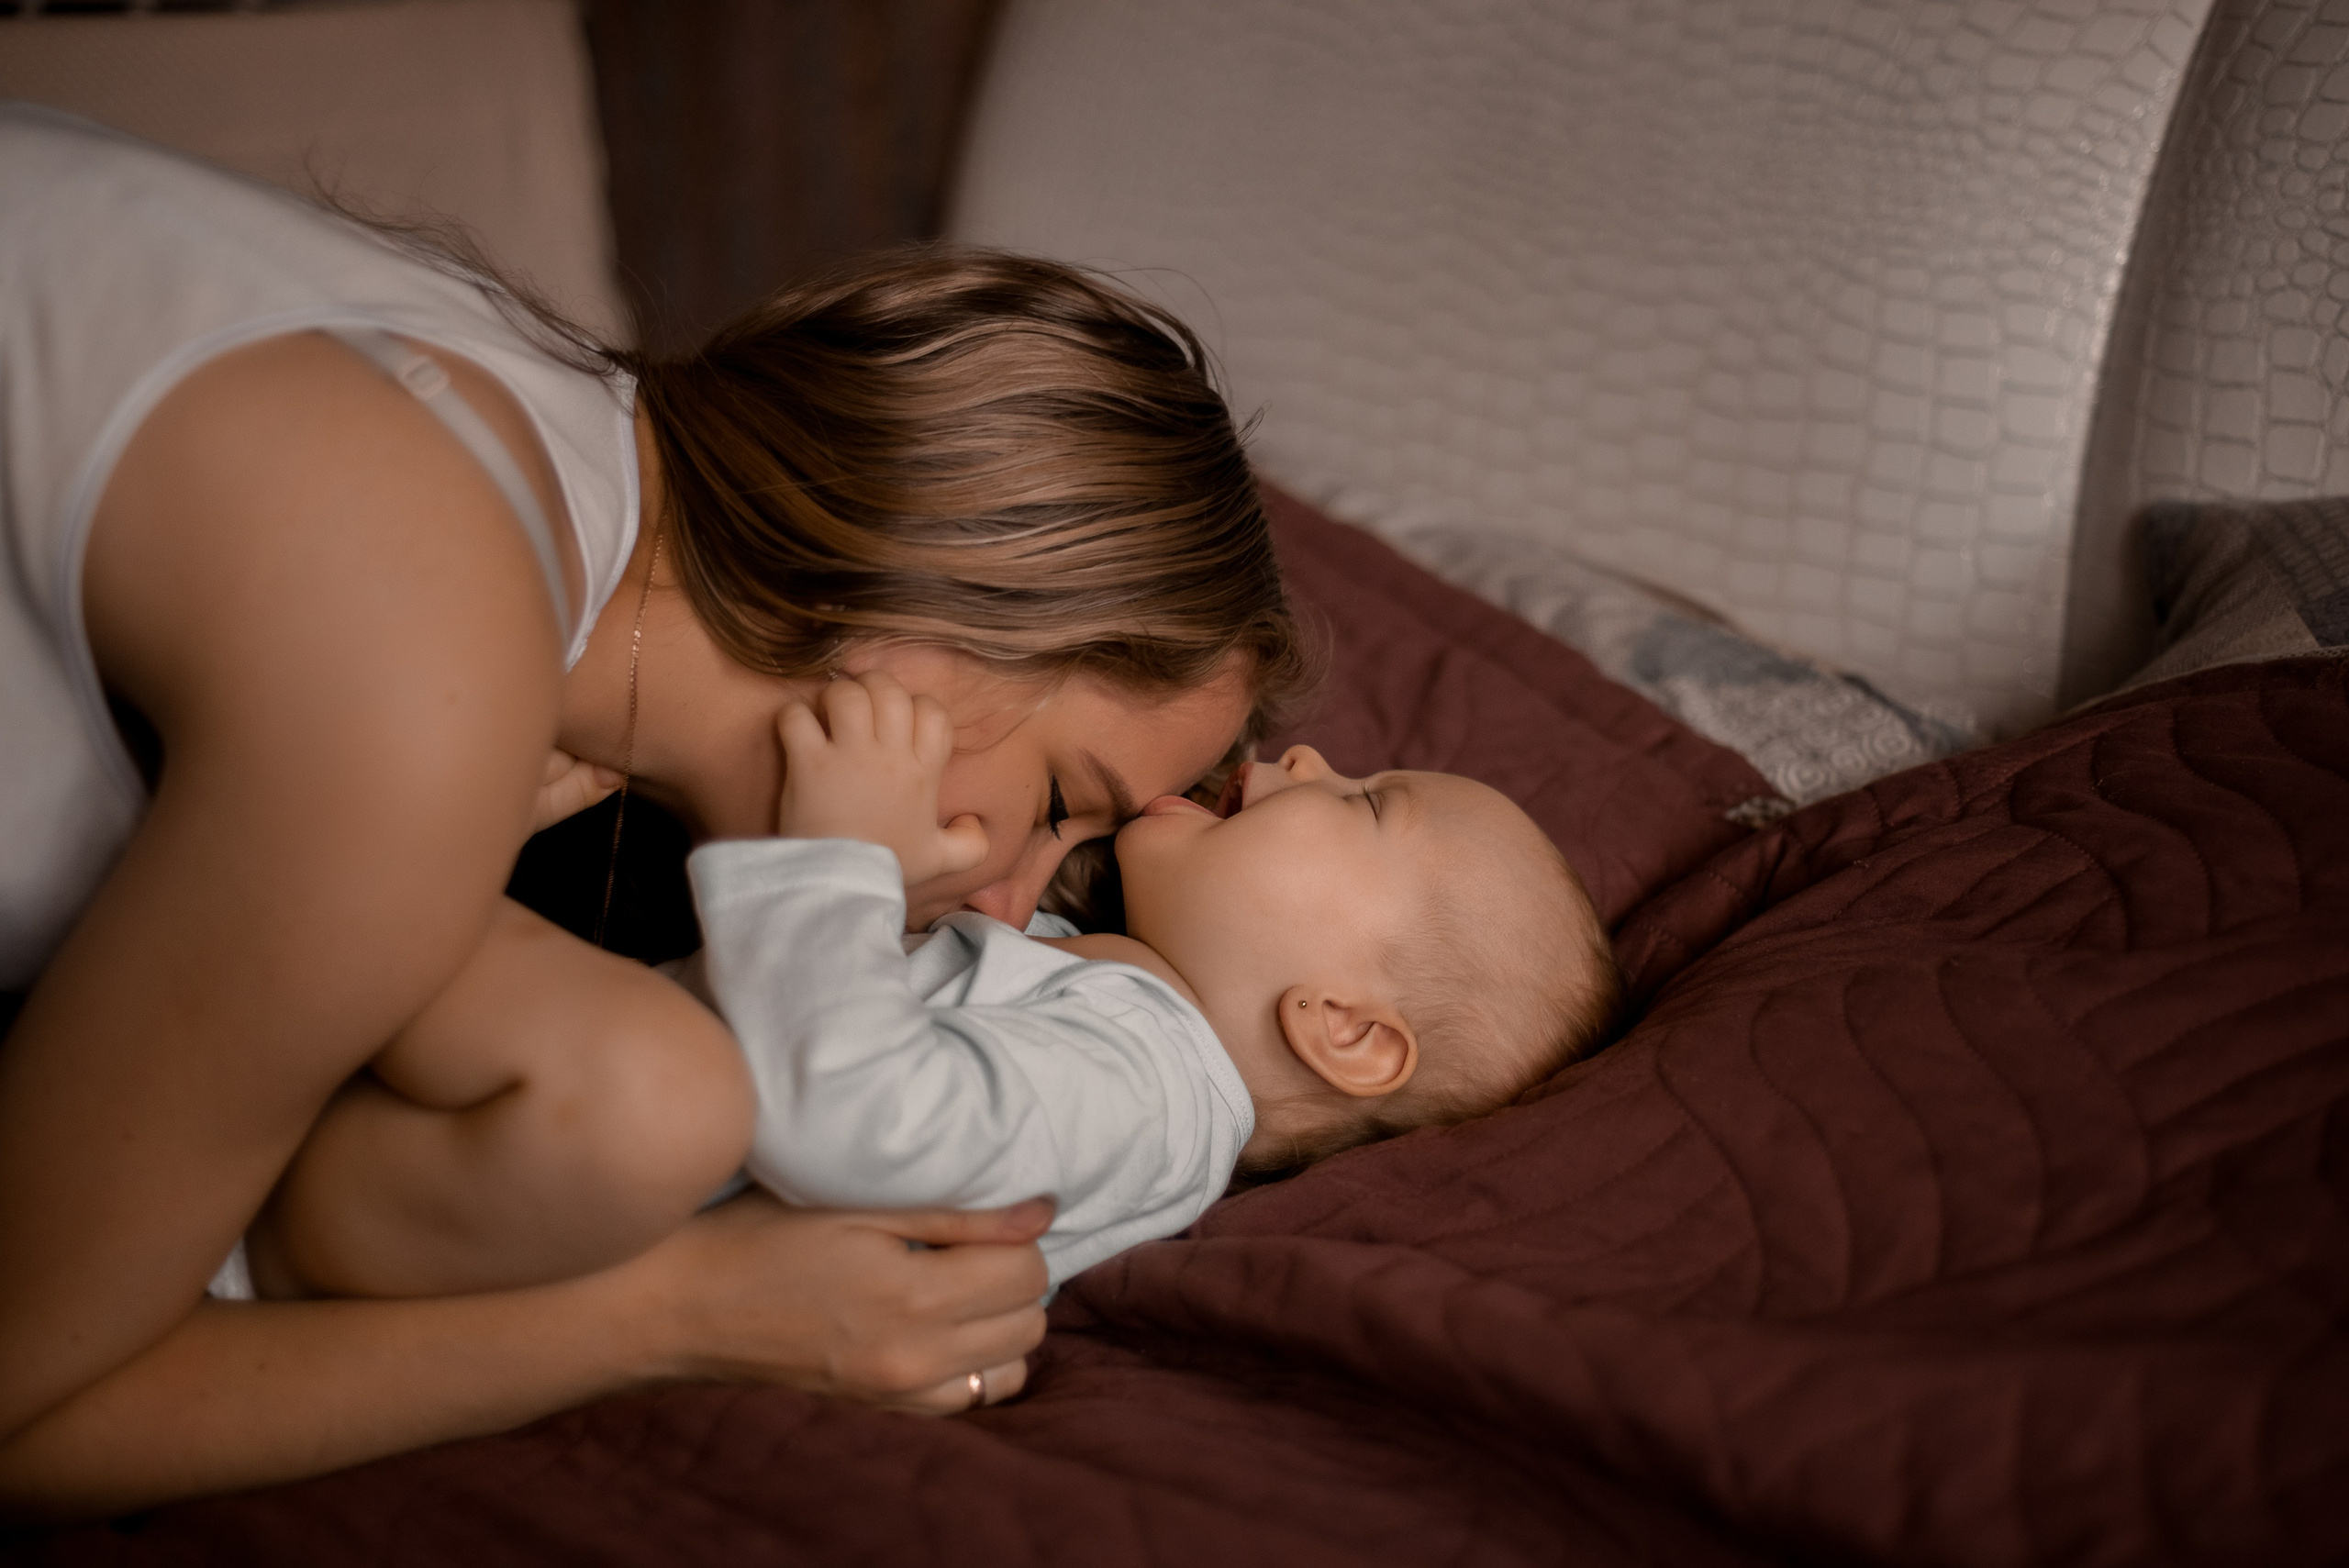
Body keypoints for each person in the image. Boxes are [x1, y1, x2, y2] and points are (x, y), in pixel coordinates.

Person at [0, 103, 1308, 1517]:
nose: (1010, 906)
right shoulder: (425, 670)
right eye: (1059, 801)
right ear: (933, 630)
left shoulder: (517, 439)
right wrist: (676, 1312)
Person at [249, 672, 1624, 1307]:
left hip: (508, 1209)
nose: (1313, 757)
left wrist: (831, 858)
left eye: (1369, 803)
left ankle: (324, 874)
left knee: (377, 864)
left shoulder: (1150, 1095)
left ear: (1344, 1031)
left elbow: (858, 1123)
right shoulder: (1104, 987)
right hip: (474, 1166)